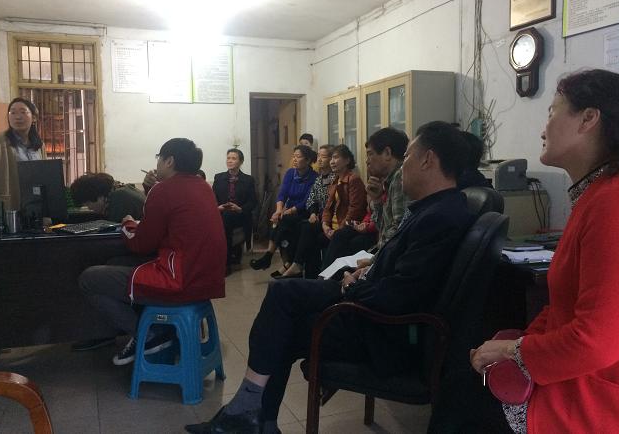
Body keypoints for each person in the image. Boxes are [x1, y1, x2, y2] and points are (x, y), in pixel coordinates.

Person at [185, 121, 473, 434]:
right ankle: (254, 418)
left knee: (282, 319)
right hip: (374, 305)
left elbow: (401, 294)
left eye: (407, 158)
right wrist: (368, 269)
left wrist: (353, 288)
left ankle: (247, 416)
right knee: (282, 296)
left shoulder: (438, 218)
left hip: (382, 331)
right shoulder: (435, 208)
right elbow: (402, 267)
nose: (403, 166)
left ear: (428, 160)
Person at [470, 69, 619, 432]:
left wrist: (512, 351)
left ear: (588, 118)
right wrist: (520, 343)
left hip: (596, 397)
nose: (543, 129)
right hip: (577, 378)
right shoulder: (594, 195)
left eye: (553, 112)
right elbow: (561, 308)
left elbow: (597, 343)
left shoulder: (613, 201)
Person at [79, 138, 226, 366]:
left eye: (159, 158)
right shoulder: (203, 187)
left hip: (179, 282)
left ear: (169, 161)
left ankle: (148, 335)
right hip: (207, 280)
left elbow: (141, 244)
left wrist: (128, 223)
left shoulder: (164, 190)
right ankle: (161, 328)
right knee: (116, 261)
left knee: (89, 279)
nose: (157, 163)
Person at [321, 127, 408, 269]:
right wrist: (377, 200)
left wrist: (372, 262)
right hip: (382, 256)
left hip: (388, 263)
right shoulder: (388, 181)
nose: (367, 161)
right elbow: (384, 228)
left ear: (387, 153)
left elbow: (397, 232)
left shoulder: (399, 177)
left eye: (370, 154)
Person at [275, 144, 365, 279]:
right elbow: (327, 207)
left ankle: (321, 277)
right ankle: (303, 270)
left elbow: (355, 210)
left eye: (335, 158)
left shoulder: (353, 179)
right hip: (331, 225)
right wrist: (325, 225)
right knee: (307, 229)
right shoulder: (336, 180)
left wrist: (337, 229)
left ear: (347, 160)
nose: (332, 161)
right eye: (331, 158)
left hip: (345, 226)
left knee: (309, 231)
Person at [0, 97, 45, 221]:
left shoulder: (39, 145)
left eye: (23, 112)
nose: (17, 117)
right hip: (10, 205)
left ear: (34, 118)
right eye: (13, 112)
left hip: (36, 205)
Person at [250, 145, 317, 270]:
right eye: (294, 156)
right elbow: (282, 194)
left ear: (307, 160)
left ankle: (270, 257)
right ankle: (284, 263)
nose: (294, 159)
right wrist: (279, 210)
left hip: (303, 211)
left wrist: (288, 211)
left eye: (298, 157)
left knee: (283, 221)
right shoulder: (290, 173)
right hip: (288, 211)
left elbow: (307, 201)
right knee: (278, 219)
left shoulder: (314, 177)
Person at [212, 149, 258, 266]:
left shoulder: (248, 180)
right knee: (223, 217)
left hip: (240, 215)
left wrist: (240, 209)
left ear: (241, 161)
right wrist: (218, 207)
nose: (230, 161)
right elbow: (213, 198)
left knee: (226, 218)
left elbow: (253, 202)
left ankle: (226, 263)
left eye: (233, 158)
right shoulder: (219, 178)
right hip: (221, 213)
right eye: (228, 158)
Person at [70, 172, 146, 222]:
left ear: (97, 196)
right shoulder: (120, 190)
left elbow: (115, 233)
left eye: (87, 204)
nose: (89, 208)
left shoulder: (119, 199)